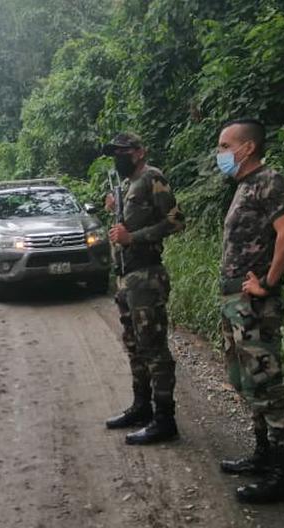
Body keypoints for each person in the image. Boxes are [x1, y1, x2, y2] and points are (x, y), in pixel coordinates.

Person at [216, 119, 284, 504]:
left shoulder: (270, 181)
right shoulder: (244, 186)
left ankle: (283, 477)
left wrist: (268, 282)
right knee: (246, 381)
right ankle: (263, 456)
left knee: (268, 386)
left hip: (255, 305)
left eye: (224, 146)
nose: (220, 154)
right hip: (235, 303)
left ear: (246, 148)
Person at [102, 132, 185, 445]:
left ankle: (165, 419)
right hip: (127, 276)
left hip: (147, 275)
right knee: (134, 344)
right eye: (114, 152)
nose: (117, 157)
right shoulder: (126, 185)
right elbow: (127, 225)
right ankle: (142, 407)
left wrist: (133, 238)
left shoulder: (153, 178)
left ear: (139, 152)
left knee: (153, 348)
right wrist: (114, 210)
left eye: (122, 151)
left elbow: (176, 221)